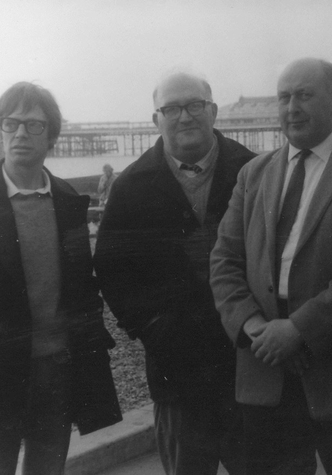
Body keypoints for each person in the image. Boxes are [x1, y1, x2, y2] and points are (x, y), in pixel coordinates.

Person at [210, 58, 332, 475]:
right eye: (284, 97)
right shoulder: (252, 174)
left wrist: (298, 330)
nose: (292, 107)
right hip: (267, 374)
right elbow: (224, 259)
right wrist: (255, 329)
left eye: (305, 95)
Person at [0, 82, 122, 475]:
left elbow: (81, 287)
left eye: (33, 125)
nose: (20, 135)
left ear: (52, 136)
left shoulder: (66, 201)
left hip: (57, 374)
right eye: (11, 124)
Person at [94, 72, 255, 475]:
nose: (184, 117)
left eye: (195, 105)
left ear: (213, 111)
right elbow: (111, 270)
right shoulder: (131, 186)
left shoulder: (253, 171)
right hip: (176, 366)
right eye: (171, 109)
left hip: (249, 358)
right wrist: (151, 326)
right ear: (156, 119)